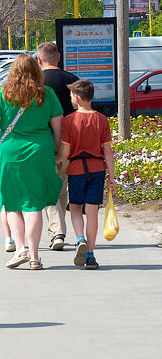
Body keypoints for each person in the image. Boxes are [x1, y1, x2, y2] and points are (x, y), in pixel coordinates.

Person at [0, 54, 63, 271]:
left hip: (12, 153)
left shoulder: (2, 93)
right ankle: (35, 257)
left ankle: (20, 249)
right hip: (41, 151)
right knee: (34, 204)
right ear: (37, 70)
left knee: (13, 203)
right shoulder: (47, 94)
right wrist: (56, 152)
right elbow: (58, 127)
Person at [60, 79, 115, 270]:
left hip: (76, 169)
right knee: (92, 212)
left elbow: (66, 153)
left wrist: (58, 159)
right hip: (97, 169)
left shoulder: (69, 120)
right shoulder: (101, 119)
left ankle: (80, 238)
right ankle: (90, 256)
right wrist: (112, 177)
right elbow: (107, 150)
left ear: (76, 97)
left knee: (75, 208)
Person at [36, 41, 79, 252]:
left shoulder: (36, 82)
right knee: (61, 187)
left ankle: (57, 231)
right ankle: (57, 230)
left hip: (43, 141)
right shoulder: (72, 80)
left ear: (39, 59)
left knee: (46, 188)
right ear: (59, 57)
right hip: (69, 142)